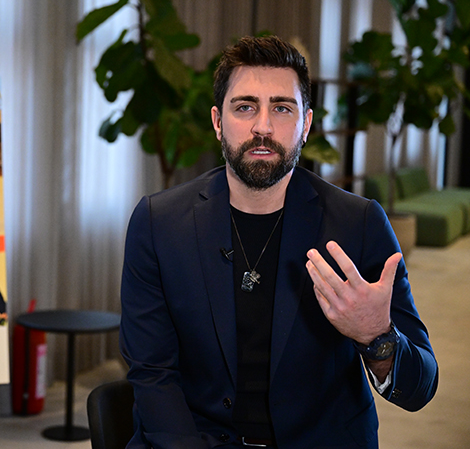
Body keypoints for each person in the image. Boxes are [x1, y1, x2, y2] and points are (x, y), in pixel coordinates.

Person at [119, 36, 438, 448]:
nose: (263, 127)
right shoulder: (158, 223)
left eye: (282, 108)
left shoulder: (358, 224)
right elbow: (152, 373)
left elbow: (420, 387)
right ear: (218, 121)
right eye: (245, 107)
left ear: (305, 124)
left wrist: (377, 337)